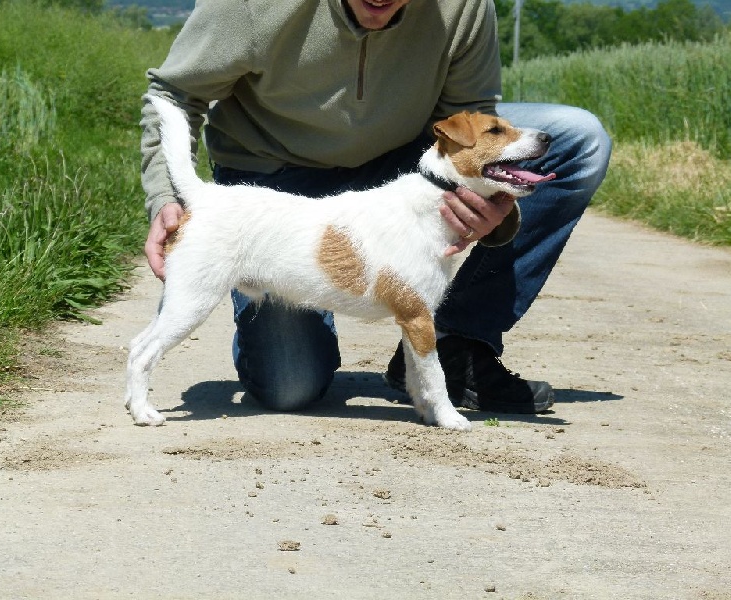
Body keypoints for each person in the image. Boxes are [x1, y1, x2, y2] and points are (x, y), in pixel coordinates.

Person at [140, 0, 612, 416]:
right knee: (291, 388)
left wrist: (494, 209)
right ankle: (216, 283)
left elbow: (477, 120)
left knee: (578, 137)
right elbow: (173, 94)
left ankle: (455, 342)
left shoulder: (463, 6)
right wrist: (168, 197)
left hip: (404, 161)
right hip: (274, 178)